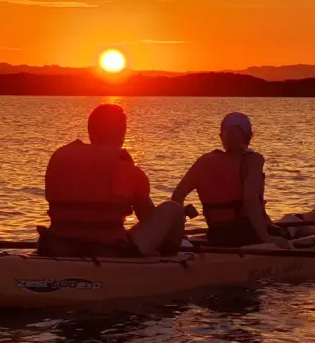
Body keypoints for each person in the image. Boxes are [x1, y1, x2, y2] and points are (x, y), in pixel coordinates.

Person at [41, 104, 185, 257]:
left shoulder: (60, 156)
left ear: (90, 131)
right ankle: (169, 264)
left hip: (57, 244)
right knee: (173, 208)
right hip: (108, 249)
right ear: (122, 133)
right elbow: (147, 217)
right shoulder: (125, 166)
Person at [172, 112, 290, 248]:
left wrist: (178, 232)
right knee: (295, 224)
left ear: (222, 137)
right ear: (249, 136)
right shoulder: (253, 160)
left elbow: (177, 197)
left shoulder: (203, 162)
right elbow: (251, 202)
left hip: (216, 235)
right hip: (248, 236)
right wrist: (267, 239)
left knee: (286, 223)